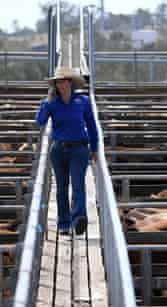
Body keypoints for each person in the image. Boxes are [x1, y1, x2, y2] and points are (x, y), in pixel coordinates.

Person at [35, 66, 99, 236]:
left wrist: (95, 147)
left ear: (70, 83)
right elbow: (40, 122)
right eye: (57, 82)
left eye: (63, 82)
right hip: (58, 149)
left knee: (78, 185)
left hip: (79, 148)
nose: (60, 85)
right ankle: (63, 223)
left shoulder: (83, 101)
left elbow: (92, 125)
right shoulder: (51, 103)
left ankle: (78, 219)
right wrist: (46, 103)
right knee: (61, 188)